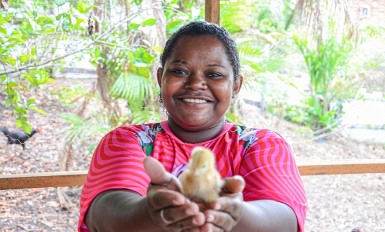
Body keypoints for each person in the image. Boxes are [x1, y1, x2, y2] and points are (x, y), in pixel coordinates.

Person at [78, 21, 307, 232]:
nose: (196, 83)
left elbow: (284, 219)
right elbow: (104, 212)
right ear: (161, 79)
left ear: (235, 86)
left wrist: (234, 213)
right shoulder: (128, 141)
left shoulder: (261, 145)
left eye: (214, 74)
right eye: (179, 71)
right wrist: (153, 212)